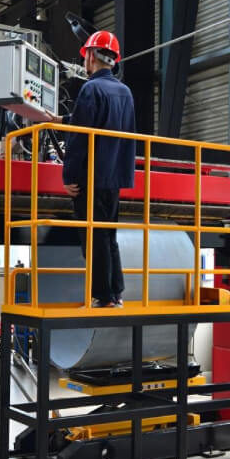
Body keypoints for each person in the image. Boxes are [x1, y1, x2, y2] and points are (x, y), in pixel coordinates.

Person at [47, 31, 136, 308]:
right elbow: (100, 121)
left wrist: (69, 176)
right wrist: (61, 119)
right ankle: (116, 293)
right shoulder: (124, 92)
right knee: (108, 235)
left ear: (90, 56)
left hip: (90, 176)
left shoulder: (91, 89)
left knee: (93, 236)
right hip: (114, 177)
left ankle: (102, 296)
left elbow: (80, 137)